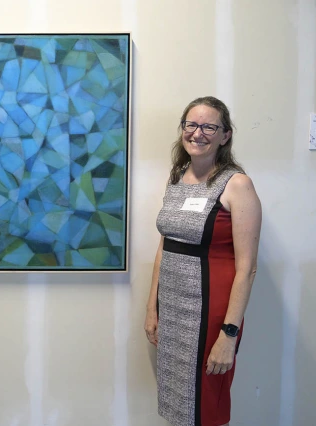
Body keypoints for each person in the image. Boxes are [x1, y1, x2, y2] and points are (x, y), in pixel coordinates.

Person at [144, 96, 262, 426]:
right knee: (178, 401)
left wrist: (229, 334)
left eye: (209, 126)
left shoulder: (237, 185)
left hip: (211, 313)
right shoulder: (177, 176)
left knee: (206, 404)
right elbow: (165, 244)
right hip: (173, 308)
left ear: (225, 135)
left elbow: (248, 267)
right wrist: (152, 307)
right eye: (191, 125)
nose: (198, 133)